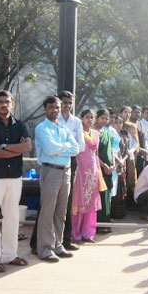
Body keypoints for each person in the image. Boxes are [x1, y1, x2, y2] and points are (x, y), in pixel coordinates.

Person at [0, 90, 32, 272]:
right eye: (0, 102)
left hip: (14, 177)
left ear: (12, 104)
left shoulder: (20, 125)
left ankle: (10, 255)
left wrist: (2, 147)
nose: (4, 105)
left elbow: (28, 146)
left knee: (12, 217)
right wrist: (15, 149)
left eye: (7, 101)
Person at [30, 91, 84, 254]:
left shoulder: (64, 128)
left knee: (61, 212)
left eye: (57, 107)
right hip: (51, 171)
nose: (55, 110)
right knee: (47, 212)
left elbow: (76, 148)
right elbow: (50, 149)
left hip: (66, 171)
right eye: (52, 107)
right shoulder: (42, 128)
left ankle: (58, 245)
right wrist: (65, 147)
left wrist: (60, 148)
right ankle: (45, 248)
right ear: (45, 109)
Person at [71, 110, 105, 243]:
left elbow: (95, 154)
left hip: (93, 171)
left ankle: (88, 233)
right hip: (81, 170)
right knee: (80, 201)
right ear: (81, 119)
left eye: (92, 117)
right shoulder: (77, 133)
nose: (90, 120)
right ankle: (76, 233)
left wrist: (99, 170)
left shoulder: (96, 133)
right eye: (87, 117)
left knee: (91, 202)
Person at [57, 90, 85, 252]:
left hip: (71, 163)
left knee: (67, 202)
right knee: (50, 204)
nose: (67, 106)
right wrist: (70, 146)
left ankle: (66, 240)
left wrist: (64, 147)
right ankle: (40, 242)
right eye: (64, 102)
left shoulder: (76, 122)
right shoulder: (54, 120)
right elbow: (53, 146)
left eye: (70, 103)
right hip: (54, 163)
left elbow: (81, 146)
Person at [94, 109, 114, 233]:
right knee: (98, 196)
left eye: (107, 118)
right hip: (97, 168)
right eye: (102, 118)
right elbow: (92, 153)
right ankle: (96, 224)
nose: (105, 121)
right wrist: (103, 165)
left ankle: (106, 223)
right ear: (97, 118)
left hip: (108, 170)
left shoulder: (107, 133)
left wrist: (112, 164)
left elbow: (111, 150)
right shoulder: (93, 133)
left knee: (106, 196)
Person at [120, 105, 139, 206]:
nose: (127, 114)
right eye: (125, 112)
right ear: (121, 113)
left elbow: (136, 143)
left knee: (130, 178)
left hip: (130, 155)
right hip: (119, 155)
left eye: (129, 112)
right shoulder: (118, 124)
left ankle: (130, 202)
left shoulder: (132, 126)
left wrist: (130, 151)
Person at [112, 116, 129, 219]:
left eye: (121, 123)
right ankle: (113, 212)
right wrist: (118, 161)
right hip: (114, 162)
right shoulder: (111, 134)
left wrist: (123, 160)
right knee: (115, 187)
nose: (119, 125)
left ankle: (121, 211)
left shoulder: (124, 136)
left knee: (122, 186)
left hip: (122, 162)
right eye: (117, 123)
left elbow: (127, 151)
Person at [131, 105, 148, 177]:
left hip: (142, 156)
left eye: (139, 112)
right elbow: (130, 141)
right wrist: (139, 149)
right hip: (133, 155)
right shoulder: (129, 125)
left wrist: (146, 149)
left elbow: (144, 138)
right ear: (131, 113)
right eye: (136, 112)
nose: (138, 114)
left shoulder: (140, 124)